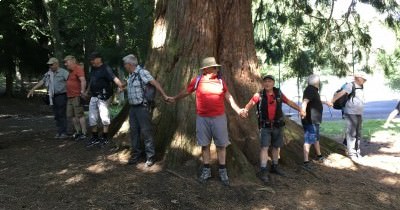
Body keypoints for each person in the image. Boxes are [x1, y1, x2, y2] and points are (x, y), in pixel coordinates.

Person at [171, 57, 244, 186]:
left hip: (219, 118)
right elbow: (187, 91)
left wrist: (238, 110)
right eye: (214, 67)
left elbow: (228, 96)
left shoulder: (220, 82)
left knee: (221, 145)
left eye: (216, 67)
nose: (216, 69)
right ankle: (206, 170)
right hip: (202, 118)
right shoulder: (198, 80)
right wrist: (175, 98)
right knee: (204, 145)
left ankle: (223, 171)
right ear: (205, 70)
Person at [241, 75, 305, 184]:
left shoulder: (278, 94)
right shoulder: (259, 94)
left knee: (276, 147)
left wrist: (300, 109)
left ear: (273, 83)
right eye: (265, 81)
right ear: (263, 83)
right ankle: (263, 170)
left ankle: (275, 166)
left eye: (269, 81)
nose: (267, 83)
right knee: (264, 147)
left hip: (278, 126)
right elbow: (251, 103)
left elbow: (289, 102)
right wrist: (245, 110)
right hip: (265, 126)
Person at [123, 54, 172, 167]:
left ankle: (150, 157)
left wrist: (164, 95)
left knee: (146, 132)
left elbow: (155, 83)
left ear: (130, 64)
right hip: (133, 109)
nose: (124, 66)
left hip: (142, 107)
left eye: (125, 64)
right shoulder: (130, 75)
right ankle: (136, 155)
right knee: (134, 132)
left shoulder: (142, 73)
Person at [85, 52, 124, 148]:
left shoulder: (106, 68)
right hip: (94, 96)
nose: (91, 61)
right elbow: (91, 81)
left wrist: (121, 86)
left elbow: (114, 78)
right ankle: (95, 137)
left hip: (104, 97)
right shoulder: (93, 68)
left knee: (104, 116)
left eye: (93, 59)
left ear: (99, 59)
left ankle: (105, 137)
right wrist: (87, 91)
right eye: (91, 60)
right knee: (92, 117)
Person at [27, 57, 69, 139]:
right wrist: (32, 89)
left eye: (52, 64)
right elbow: (42, 81)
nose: (50, 66)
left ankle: (64, 132)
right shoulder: (48, 73)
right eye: (49, 65)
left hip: (61, 95)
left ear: (57, 64)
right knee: (56, 114)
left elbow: (70, 81)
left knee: (61, 113)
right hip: (52, 96)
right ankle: (59, 132)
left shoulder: (64, 72)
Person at [329, 72, 367, 162]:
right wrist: (332, 101)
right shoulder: (350, 85)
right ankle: (352, 154)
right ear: (357, 78)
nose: (365, 81)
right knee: (351, 134)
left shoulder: (361, 86)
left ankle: (357, 152)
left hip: (359, 113)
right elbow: (341, 93)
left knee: (358, 133)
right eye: (363, 79)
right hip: (350, 113)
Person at [301, 74, 329, 170]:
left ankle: (319, 155)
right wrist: (303, 112)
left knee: (316, 138)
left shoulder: (313, 90)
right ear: (317, 82)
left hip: (315, 120)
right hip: (310, 120)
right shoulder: (310, 90)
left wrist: (326, 102)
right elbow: (305, 102)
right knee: (309, 140)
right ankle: (306, 162)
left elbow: (315, 101)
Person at [64, 55, 87, 140]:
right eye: (65, 62)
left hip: (77, 96)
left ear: (73, 61)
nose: (66, 64)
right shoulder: (70, 71)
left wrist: (82, 92)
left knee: (79, 114)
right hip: (69, 96)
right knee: (72, 115)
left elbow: (83, 80)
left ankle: (84, 132)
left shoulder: (78, 69)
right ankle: (78, 132)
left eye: (67, 62)